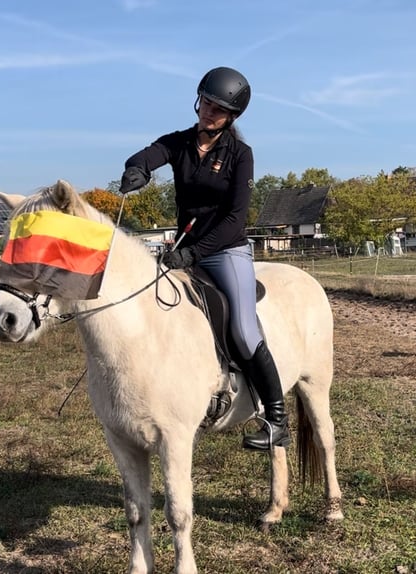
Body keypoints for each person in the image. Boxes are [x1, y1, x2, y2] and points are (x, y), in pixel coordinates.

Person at [118, 66, 290, 451]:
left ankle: (278, 419)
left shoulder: (240, 155)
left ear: (231, 117)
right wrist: (136, 169)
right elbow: (150, 153)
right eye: (207, 103)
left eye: (219, 109)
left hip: (225, 250)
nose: (209, 112)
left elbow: (234, 218)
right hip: (183, 249)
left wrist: (194, 252)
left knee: (244, 330)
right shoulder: (179, 143)